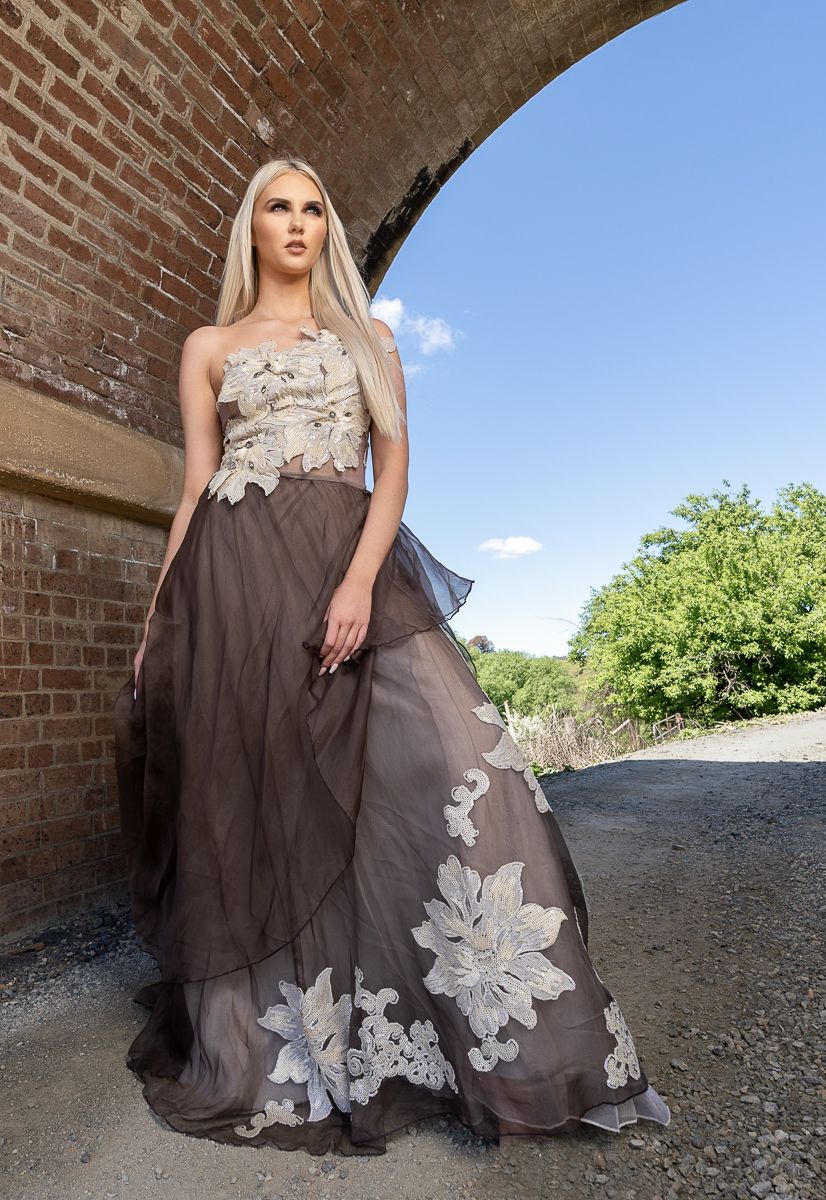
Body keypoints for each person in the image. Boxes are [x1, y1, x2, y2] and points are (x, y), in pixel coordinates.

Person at [112, 156, 671, 1157]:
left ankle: (505, 1046)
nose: (295, 223)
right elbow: (195, 489)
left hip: (343, 554)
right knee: (255, 796)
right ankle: (289, 1046)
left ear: (328, 228)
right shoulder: (208, 346)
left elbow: (394, 464)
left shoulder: (368, 340)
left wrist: (362, 581)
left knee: (462, 762)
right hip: (231, 583)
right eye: (276, 208)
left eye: (312, 208)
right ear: (252, 229)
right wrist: (162, 622)